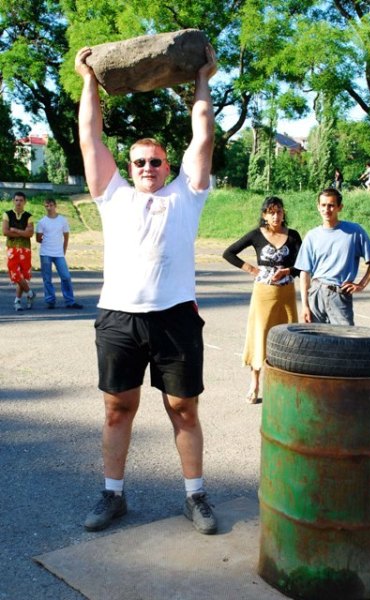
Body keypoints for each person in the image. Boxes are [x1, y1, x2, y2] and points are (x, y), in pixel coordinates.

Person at [75, 44, 218, 535]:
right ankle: (112, 496)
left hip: (176, 316)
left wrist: (203, 77)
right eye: (139, 162)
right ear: (128, 166)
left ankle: (195, 495)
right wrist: (89, 80)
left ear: (166, 164)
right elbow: (89, 136)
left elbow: (202, 135)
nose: (147, 168)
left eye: (155, 161)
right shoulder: (111, 196)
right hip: (118, 317)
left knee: (183, 408)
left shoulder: (188, 195)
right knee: (118, 409)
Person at [223, 197, 302, 404]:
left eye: (279, 212)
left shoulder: (293, 236)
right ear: (264, 215)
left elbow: (303, 264)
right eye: (271, 212)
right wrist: (251, 269)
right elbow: (229, 253)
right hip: (263, 294)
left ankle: (283, 384)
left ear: (284, 213)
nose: (276, 216)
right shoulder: (256, 235)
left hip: (286, 293)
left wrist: (289, 270)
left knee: (288, 336)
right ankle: (255, 383)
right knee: (260, 334)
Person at [294, 187, 370, 325]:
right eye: (323, 205)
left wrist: (362, 284)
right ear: (318, 207)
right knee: (315, 340)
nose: (327, 209)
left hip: (339, 294)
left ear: (340, 207)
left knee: (344, 339)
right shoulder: (312, 236)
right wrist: (305, 305)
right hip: (316, 293)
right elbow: (305, 272)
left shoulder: (354, 232)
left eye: (331, 205)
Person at [35, 199, 83, 309]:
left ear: (55, 206)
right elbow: (38, 238)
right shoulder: (42, 221)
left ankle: (70, 301)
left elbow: (66, 237)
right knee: (47, 278)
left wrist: (63, 250)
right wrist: (48, 241)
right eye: (47, 206)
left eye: (51, 205)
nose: (49, 208)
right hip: (46, 253)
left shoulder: (62, 220)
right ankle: (50, 300)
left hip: (59, 253)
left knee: (66, 276)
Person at [2, 191, 36, 312]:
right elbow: (5, 232)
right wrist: (23, 233)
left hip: (25, 249)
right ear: (13, 201)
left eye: (21, 200)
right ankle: (30, 293)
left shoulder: (29, 216)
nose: (18, 203)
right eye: (16, 200)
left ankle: (18, 301)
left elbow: (30, 234)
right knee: (14, 273)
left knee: (23, 275)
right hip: (12, 248)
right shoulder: (7, 214)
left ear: (25, 202)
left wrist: (16, 230)